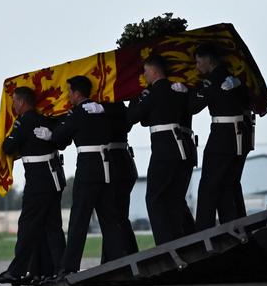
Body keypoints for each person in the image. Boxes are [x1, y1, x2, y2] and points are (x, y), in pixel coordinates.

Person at [36, 75, 127, 278]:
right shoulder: (102, 109)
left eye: (69, 92)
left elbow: (61, 138)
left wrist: (50, 134)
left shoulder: (77, 113)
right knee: (109, 218)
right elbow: (123, 116)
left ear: (77, 93)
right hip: (107, 166)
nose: (67, 96)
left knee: (79, 219)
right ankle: (121, 263)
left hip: (88, 168)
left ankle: (68, 267)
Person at [0, 86, 66, 286]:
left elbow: (8, 147)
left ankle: (16, 271)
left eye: (14, 101)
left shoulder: (25, 120)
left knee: (27, 226)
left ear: (22, 102)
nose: (13, 104)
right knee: (52, 226)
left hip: (39, 181)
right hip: (53, 177)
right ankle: (59, 269)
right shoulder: (46, 120)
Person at [128, 55, 193, 245]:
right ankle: (183, 239)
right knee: (174, 199)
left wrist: (134, 96)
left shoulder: (155, 92)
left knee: (154, 198)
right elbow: (148, 118)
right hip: (184, 148)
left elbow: (133, 117)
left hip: (165, 150)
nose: (144, 76)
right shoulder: (178, 90)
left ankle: (165, 244)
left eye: (146, 72)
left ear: (154, 71)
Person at [189, 44, 253, 230]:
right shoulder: (236, 79)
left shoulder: (213, 80)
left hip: (222, 138)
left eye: (199, 61)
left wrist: (193, 88)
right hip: (242, 135)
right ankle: (237, 225)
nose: (197, 66)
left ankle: (203, 231)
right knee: (229, 185)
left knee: (208, 185)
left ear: (209, 59)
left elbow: (193, 107)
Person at [102, 101, 139, 258]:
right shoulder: (121, 109)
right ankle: (128, 252)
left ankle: (114, 256)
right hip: (125, 160)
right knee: (120, 215)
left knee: (112, 215)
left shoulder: (103, 110)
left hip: (113, 164)